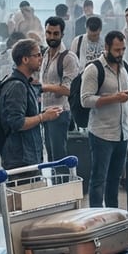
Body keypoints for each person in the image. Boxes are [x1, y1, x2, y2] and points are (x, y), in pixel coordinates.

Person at [81, 30, 128, 208]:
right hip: (102, 134)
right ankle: (95, 216)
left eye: (123, 49)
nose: (120, 53)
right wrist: (114, 98)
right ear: (106, 47)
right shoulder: (94, 69)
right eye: (117, 50)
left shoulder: (125, 66)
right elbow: (85, 100)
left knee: (114, 180)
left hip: (122, 133)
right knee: (98, 179)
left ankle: (112, 215)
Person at [1, 39, 63, 170]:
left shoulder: (25, 83)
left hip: (28, 155)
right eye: (37, 55)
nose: (41, 58)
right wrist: (43, 117)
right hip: (21, 159)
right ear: (25, 59)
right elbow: (17, 123)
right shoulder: (17, 86)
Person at [38, 17, 79, 162]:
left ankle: (63, 184)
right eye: (48, 33)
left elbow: (69, 90)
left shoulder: (69, 58)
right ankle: (56, 184)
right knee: (50, 157)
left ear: (62, 34)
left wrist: (42, 88)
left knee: (59, 159)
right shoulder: (44, 55)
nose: (51, 37)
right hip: (45, 112)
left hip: (60, 113)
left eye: (55, 33)